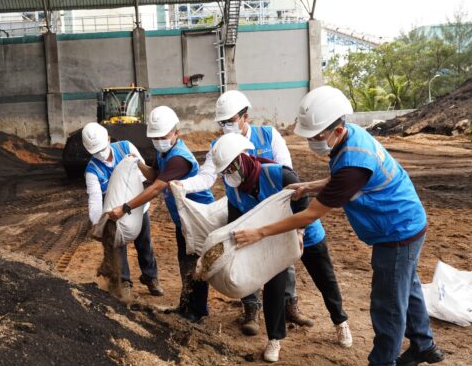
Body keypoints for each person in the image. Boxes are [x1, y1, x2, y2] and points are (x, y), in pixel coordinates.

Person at [233, 86, 444, 366]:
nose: (311, 142)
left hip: (396, 231)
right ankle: (424, 345)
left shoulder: (352, 161)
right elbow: (340, 178)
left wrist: (259, 232)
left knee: (388, 302)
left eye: (316, 137)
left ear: (337, 130)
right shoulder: (350, 140)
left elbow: (309, 216)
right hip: (405, 224)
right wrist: (310, 186)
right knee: (407, 289)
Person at [178, 90, 312, 335]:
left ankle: (289, 304)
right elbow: (208, 176)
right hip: (243, 208)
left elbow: (287, 173)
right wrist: (183, 185)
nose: (226, 126)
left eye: (230, 121)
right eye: (222, 122)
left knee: (283, 256)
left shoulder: (269, 136)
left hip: (273, 209)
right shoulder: (218, 146)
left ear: (245, 117)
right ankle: (251, 309)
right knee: (246, 256)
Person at [211, 133, 352, 362]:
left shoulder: (278, 173)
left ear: (243, 157)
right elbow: (236, 221)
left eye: (231, 167)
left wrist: (299, 232)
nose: (229, 173)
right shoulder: (233, 189)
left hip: (305, 234)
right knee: (274, 287)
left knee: (325, 279)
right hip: (272, 239)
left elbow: (303, 202)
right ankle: (275, 339)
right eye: (224, 170)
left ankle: (340, 321)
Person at [108, 106, 214, 322]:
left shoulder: (179, 159)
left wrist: (125, 207)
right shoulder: (164, 152)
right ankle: (186, 307)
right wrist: (136, 162)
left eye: (163, 136)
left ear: (176, 133)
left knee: (194, 264)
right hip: (183, 219)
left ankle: (198, 311)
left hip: (197, 218)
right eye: (155, 137)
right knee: (185, 262)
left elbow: (156, 187)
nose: (158, 141)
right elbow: (154, 173)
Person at [82, 122, 163, 301]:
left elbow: (143, 174)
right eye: (95, 152)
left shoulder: (125, 147)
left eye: (102, 148)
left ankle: (151, 277)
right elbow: (95, 200)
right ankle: (124, 281)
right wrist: (98, 225)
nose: (100, 154)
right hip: (114, 214)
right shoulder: (92, 171)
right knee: (118, 246)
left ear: (109, 140)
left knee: (144, 243)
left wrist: (130, 203)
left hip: (137, 206)